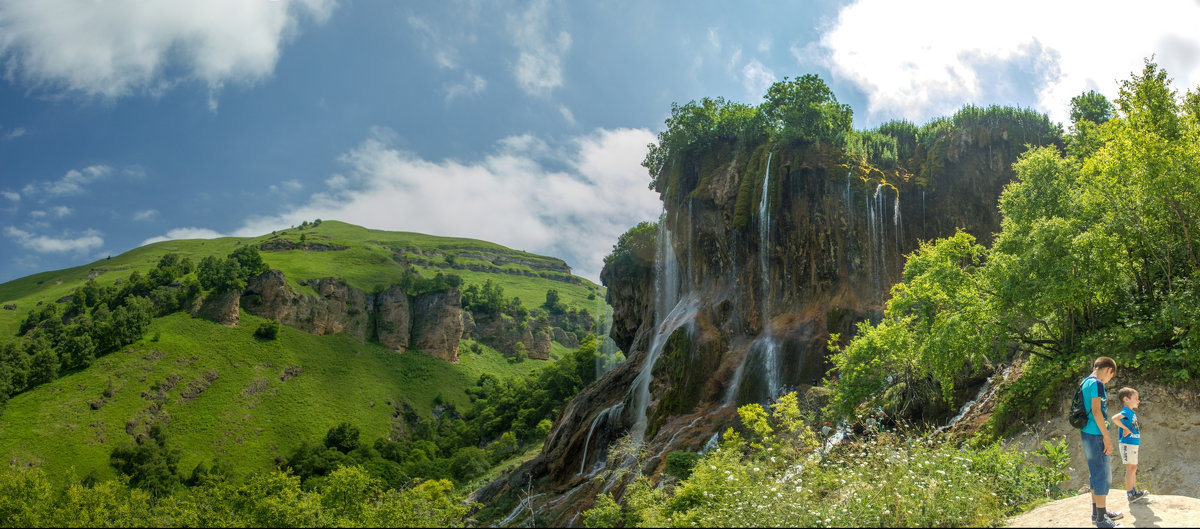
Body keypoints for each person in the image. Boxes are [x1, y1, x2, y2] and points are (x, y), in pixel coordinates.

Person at [1080, 356, 1123, 527]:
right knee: (1102, 475)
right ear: (1109, 370)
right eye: (1110, 376)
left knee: (1095, 474)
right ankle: (1101, 520)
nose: (1108, 379)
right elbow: (1097, 412)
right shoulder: (1097, 383)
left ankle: (1098, 513)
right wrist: (1106, 437)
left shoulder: (1085, 382)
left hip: (1086, 434)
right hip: (1096, 434)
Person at [1111, 387, 1149, 503]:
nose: (1138, 401)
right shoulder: (1126, 411)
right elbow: (1114, 418)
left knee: (1133, 467)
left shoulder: (1131, 412)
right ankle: (1130, 493)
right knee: (1130, 468)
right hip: (1127, 443)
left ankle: (1134, 491)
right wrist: (1125, 428)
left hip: (1132, 443)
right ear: (1126, 399)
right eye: (1136, 398)